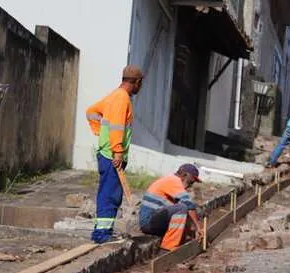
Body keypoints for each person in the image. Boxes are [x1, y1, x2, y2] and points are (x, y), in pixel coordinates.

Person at [86, 65, 144, 243]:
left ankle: (103, 232)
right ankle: (102, 234)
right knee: (110, 194)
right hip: (112, 155)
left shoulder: (114, 95)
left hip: (107, 153)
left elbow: (91, 112)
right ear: (136, 82)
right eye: (140, 84)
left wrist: (99, 132)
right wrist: (117, 150)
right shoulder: (121, 98)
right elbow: (117, 126)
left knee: (109, 192)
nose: (140, 87)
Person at [139, 164, 204, 251]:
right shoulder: (173, 181)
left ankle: (181, 244)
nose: (190, 185)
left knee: (184, 213)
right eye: (190, 182)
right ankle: (167, 249)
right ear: (184, 175)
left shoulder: (173, 183)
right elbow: (189, 206)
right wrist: (198, 228)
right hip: (148, 222)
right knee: (182, 208)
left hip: (154, 221)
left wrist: (192, 231)